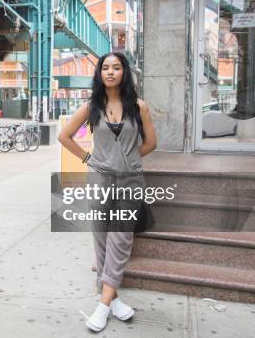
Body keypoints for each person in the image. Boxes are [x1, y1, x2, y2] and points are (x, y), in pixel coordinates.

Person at [57, 52, 157, 333]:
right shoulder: (92, 107)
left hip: (130, 182)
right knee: (101, 240)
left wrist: (127, 159)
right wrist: (89, 160)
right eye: (105, 68)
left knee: (121, 239)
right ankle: (114, 300)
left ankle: (101, 306)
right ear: (99, 74)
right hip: (99, 180)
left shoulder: (139, 107)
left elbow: (151, 142)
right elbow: (64, 136)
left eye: (116, 67)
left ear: (125, 72)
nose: (110, 72)